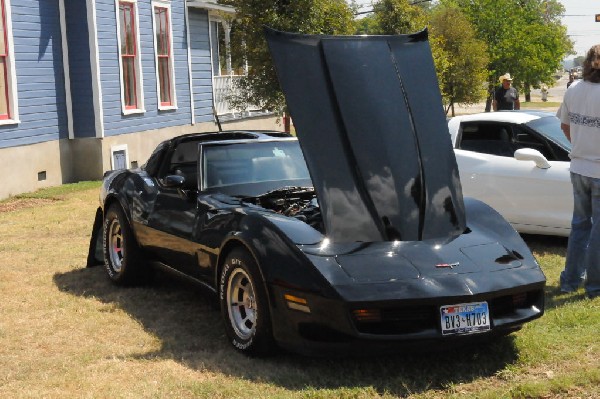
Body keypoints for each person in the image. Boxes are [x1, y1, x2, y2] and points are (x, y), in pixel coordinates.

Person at [556, 44, 600, 299]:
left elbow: (564, 125)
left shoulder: (573, 89)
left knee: (580, 225)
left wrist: (580, 145)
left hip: (579, 167)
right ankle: (594, 287)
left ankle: (570, 281)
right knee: (596, 232)